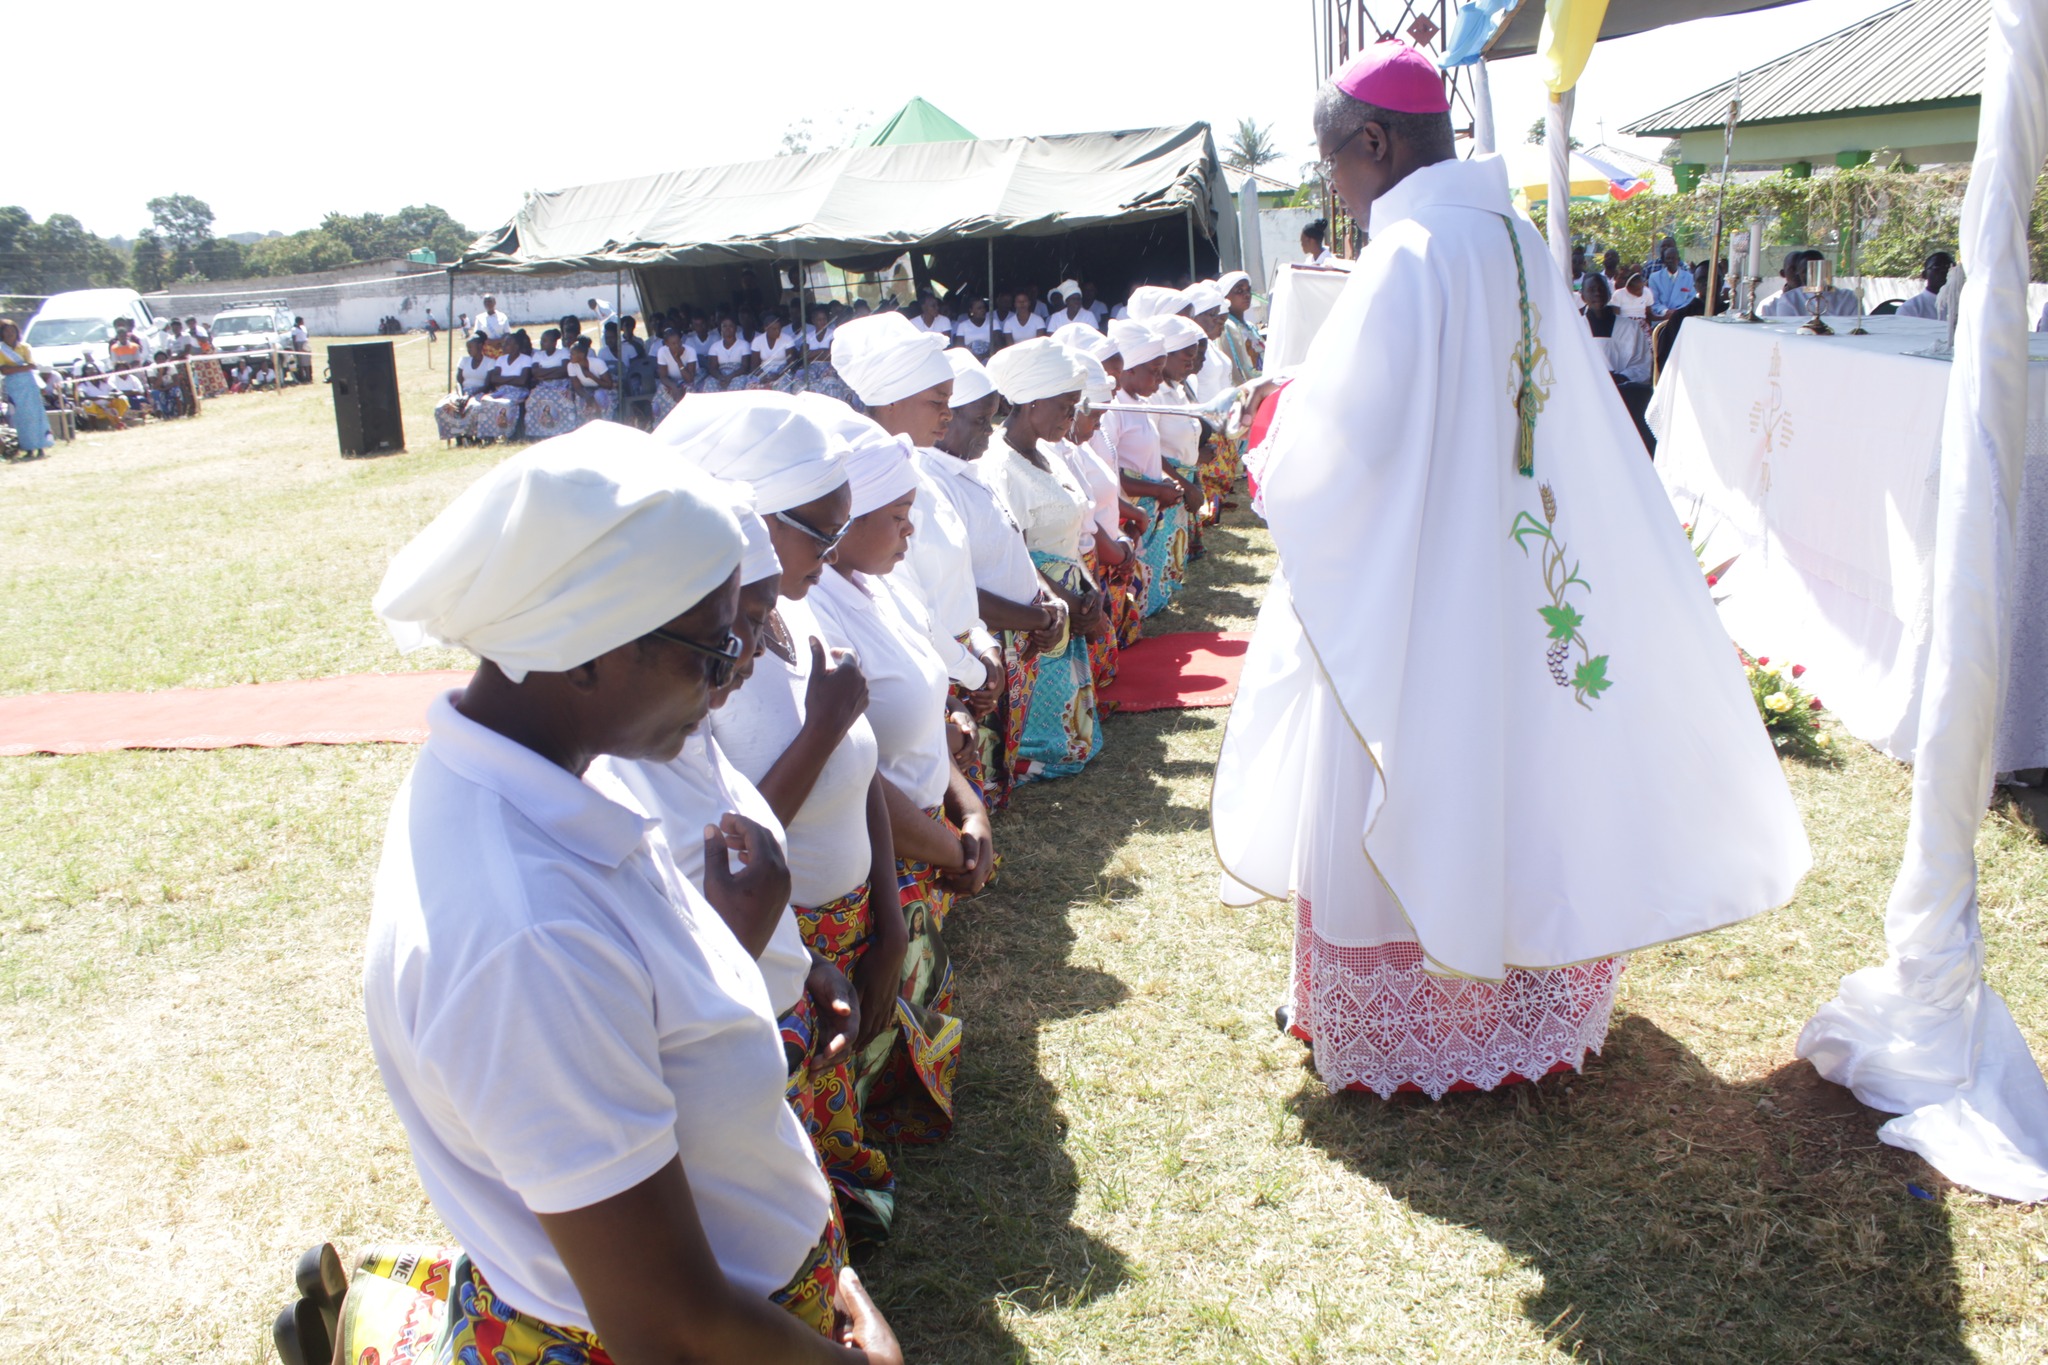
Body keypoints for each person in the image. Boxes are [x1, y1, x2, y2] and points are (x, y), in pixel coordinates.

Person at [1213, 41, 1809, 1099]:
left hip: (1419, 586)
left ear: (1375, 141)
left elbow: (1339, 447)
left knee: (1406, 756)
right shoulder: (1515, 239)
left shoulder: (1406, 257)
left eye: (1332, 165)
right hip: (1519, 569)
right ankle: (1518, 1004)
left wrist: (1275, 427)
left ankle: (1406, 1026)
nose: (1336, 194)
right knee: (1514, 765)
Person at [361, 421, 900, 1361]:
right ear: (585, 649)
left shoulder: (565, 774)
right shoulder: (525, 934)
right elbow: (666, 1324)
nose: (734, 671)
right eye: (713, 646)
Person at [651, 394, 900, 1245]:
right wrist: (827, 724)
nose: (830, 561)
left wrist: (855, 943)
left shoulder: (781, 614)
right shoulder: (703, 656)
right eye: (818, 536)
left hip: (789, 964)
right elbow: (731, 851)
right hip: (742, 986)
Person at [802, 403, 983, 1153]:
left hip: (929, 836)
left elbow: (925, 718)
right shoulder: (819, 610)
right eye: (898, 515)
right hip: (895, 848)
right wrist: (947, 844)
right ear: (843, 524)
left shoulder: (885, 582)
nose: (912, 531)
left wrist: (969, 809)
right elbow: (858, 771)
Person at [984, 340, 1107, 780]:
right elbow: (1014, 551)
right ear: (1032, 402)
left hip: (1069, 594)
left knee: (1069, 723)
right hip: (1036, 603)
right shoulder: (998, 465)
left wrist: (1087, 592)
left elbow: (1070, 531)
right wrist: (1070, 604)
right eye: (1064, 405)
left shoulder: (1049, 454)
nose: (1070, 417)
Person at [1104, 319, 1188, 617]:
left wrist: (1166, 482)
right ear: (1129, 370)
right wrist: (1156, 489)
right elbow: (1114, 473)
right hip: (1132, 508)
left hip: (1152, 502)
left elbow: (1147, 459)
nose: (1159, 379)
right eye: (1153, 372)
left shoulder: (1137, 403)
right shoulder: (1113, 410)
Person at [0, 319, 55, 458]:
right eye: (6, 331)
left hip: (29, 384)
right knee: (20, 417)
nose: (9, 333)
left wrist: (17, 368)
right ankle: (28, 448)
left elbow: (31, 365)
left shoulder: (24, 347)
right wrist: (22, 368)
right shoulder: (1, 349)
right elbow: (4, 370)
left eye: (12, 331)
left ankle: (41, 446)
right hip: (14, 386)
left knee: (36, 414)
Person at [522, 328, 582, 439]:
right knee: (533, 399)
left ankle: (565, 430)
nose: (541, 343)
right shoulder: (538, 355)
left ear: (554, 343)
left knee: (565, 398)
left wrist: (544, 373)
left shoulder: (563, 352)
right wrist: (555, 371)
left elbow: (564, 370)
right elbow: (535, 372)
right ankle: (536, 432)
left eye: (545, 340)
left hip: (561, 384)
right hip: (543, 385)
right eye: (541, 340)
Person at [436, 335, 494, 443]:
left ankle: (474, 436)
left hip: (479, 392)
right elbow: (458, 381)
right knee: (443, 407)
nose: (469, 350)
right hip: (462, 391)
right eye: (467, 347)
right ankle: (459, 437)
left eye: (471, 347)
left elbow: (487, 385)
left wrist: (468, 396)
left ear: (480, 346)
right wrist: (461, 395)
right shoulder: (464, 360)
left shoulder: (489, 362)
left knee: (474, 407)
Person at [1215, 271, 1264, 383]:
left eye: (1248, 290)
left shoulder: (1250, 326)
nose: (1246, 295)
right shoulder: (1227, 326)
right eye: (1239, 291)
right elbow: (1237, 371)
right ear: (1225, 297)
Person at [1895, 251, 1954, 320]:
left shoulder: (1964, 304)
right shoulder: (1910, 309)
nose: (1945, 271)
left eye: (1950, 267)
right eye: (1937, 267)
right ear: (1924, 275)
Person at [653, 327, 696, 422]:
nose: (677, 346)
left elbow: (689, 379)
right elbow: (663, 377)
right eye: (673, 344)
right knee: (662, 393)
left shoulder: (690, 351)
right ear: (667, 344)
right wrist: (674, 387)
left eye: (678, 342)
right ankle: (664, 422)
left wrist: (678, 360)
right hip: (672, 380)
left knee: (689, 390)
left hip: (690, 379)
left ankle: (689, 421)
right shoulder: (662, 352)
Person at [1646, 244, 1697, 317]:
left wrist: (1677, 312)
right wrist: (1666, 311)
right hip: (1661, 317)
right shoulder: (1654, 278)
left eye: (1673, 258)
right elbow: (1654, 302)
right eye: (1668, 258)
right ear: (1664, 261)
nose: (1670, 261)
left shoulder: (1690, 278)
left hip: (1682, 316)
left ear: (1678, 260)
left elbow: (1690, 300)